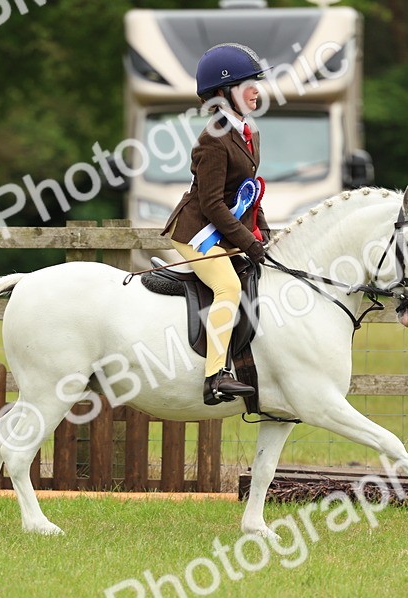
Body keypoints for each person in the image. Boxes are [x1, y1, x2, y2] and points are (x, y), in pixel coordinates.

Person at [162, 43, 271, 405]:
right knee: (227, 287)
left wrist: (264, 234)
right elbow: (210, 204)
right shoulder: (213, 140)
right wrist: (248, 242)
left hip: (223, 228)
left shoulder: (249, 133)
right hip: (196, 232)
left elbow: (248, 192)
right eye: (248, 84)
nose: (257, 90)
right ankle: (216, 378)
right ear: (225, 94)